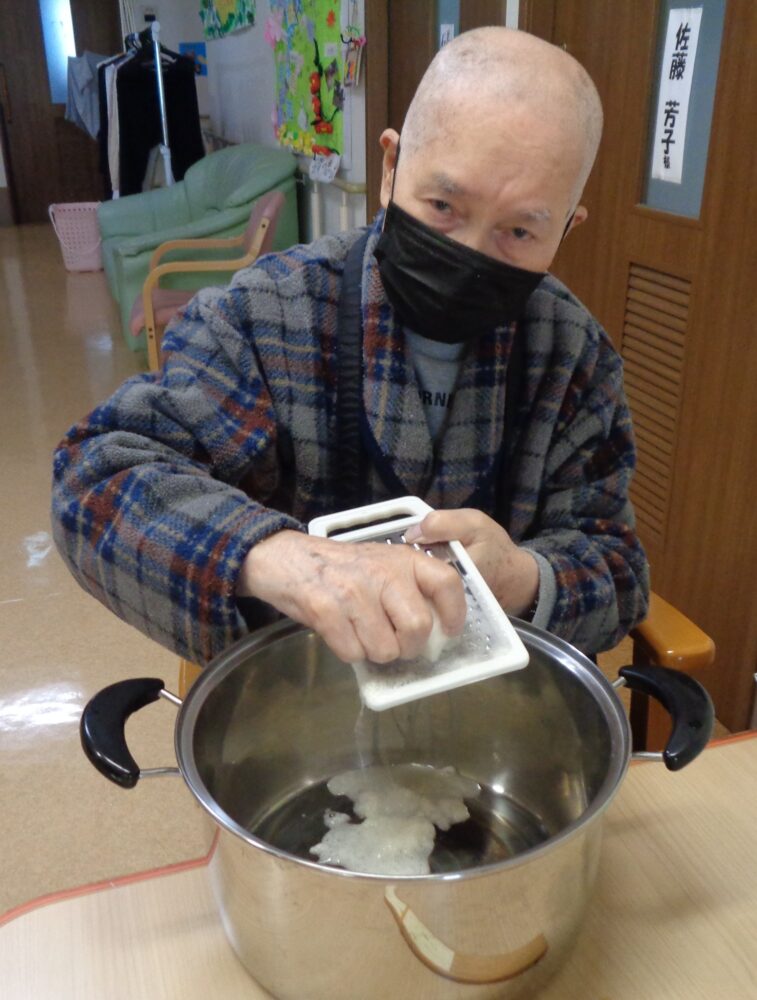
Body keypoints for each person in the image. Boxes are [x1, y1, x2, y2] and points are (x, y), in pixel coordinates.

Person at [51, 27, 649, 670]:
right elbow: (94, 481)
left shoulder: (573, 355)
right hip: (299, 687)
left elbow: (618, 568)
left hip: (494, 702)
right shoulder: (266, 315)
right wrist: (287, 560)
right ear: (390, 169)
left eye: (520, 232)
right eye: (443, 204)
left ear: (567, 228)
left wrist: (524, 577)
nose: (470, 256)